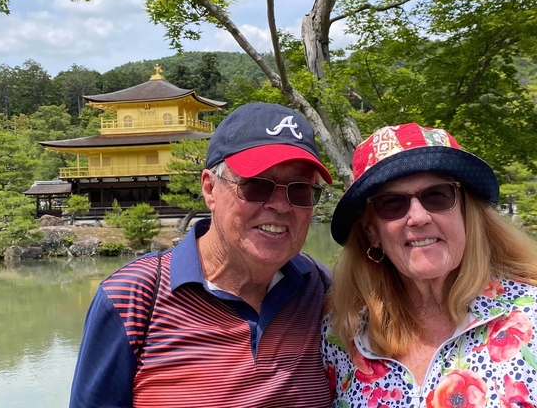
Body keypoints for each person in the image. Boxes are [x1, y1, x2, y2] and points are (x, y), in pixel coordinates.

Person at [70, 102, 334, 408]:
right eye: (257, 185)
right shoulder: (132, 298)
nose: (281, 205)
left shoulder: (320, 288)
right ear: (210, 188)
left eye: (299, 189)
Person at [321, 123, 537, 407]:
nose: (418, 217)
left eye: (437, 195)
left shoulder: (529, 317)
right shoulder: (342, 335)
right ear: (372, 231)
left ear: (466, 213)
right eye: (392, 203)